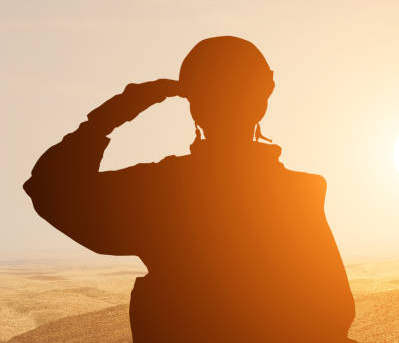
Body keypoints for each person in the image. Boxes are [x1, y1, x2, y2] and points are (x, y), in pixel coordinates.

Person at [23, 36, 356, 342]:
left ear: (193, 103)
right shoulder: (299, 192)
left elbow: (49, 188)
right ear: (265, 95)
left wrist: (111, 116)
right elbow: (335, 312)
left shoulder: (158, 191)